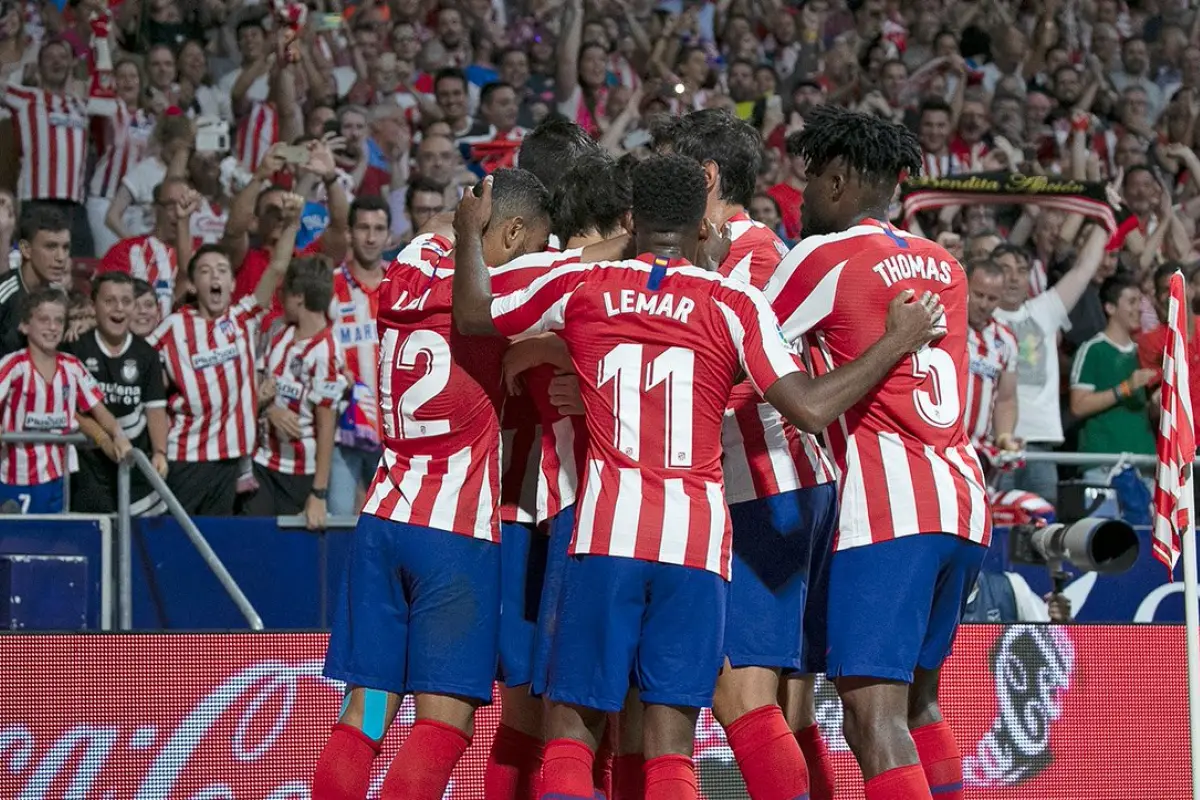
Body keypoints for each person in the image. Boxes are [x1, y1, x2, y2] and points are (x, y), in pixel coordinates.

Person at [451, 155, 942, 800]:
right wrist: (896, 342)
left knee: (572, 735)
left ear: (634, 219)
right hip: (697, 546)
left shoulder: (584, 286)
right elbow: (812, 406)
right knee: (671, 750)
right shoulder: (734, 303)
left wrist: (466, 234)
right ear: (702, 227)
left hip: (605, 535)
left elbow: (474, 315)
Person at [767, 104, 989, 800]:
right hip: (961, 500)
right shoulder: (943, 264)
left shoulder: (823, 256)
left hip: (889, 509)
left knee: (872, 717)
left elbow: (740, 339)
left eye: (807, 181)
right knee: (920, 705)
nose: (800, 199)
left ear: (837, 179)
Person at [313, 169, 553, 800]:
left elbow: (437, 228)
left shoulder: (411, 262)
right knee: (443, 724)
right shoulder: (497, 293)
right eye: (529, 242)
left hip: (382, 517)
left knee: (366, 712)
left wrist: (470, 220)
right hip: (454, 535)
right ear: (510, 232)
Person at [661, 109, 840, 800]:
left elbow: (730, 370)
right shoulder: (755, 252)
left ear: (705, 178)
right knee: (790, 714)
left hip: (766, 486)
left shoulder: (752, 258)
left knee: (741, 696)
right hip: (785, 484)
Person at [147, 195, 302, 515]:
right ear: (193, 285)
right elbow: (141, 369)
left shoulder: (243, 318)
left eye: (222, 270)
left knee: (218, 548)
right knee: (181, 543)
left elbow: (278, 266)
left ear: (233, 283)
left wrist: (291, 222)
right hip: (187, 458)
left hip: (232, 461)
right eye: (206, 271)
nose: (215, 276)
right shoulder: (173, 327)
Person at [0, 287, 131, 513]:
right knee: (15, 543)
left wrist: (117, 435)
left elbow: (98, 410)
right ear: (25, 325)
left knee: (50, 543)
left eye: (59, 321)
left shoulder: (73, 366)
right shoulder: (13, 365)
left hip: (59, 477)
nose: (52, 327)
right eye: (44, 320)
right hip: (14, 475)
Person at [245, 257, 345, 528]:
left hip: (299, 474)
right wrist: (268, 410)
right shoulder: (278, 333)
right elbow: (258, 391)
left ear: (298, 297)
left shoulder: (327, 351)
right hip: (263, 464)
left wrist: (318, 493)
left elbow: (326, 426)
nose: (278, 300)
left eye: (282, 293)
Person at [64, 272, 169, 515]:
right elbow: (70, 410)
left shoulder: (147, 355)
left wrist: (160, 452)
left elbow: (155, 409)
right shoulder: (75, 346)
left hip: (133, 463)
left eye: (126, 301)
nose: (119, 308)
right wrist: (103, 438)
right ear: (94, 305)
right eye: (110, 301)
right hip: (89, 466)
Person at [327, 196, 391, 519]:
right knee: (339, 518)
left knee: (387, 522)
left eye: (378, 228)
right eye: (363, 228)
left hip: (394, 430)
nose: (370, 237)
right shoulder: (330, 287)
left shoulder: (402, 281)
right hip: (344, 426)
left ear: (389, 235)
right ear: (349, 234)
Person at [1068, 275, 1158, 484]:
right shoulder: (1093, 350)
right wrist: (1127, 387)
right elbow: (1078, 406)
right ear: (1110, 307)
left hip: (1144, 463)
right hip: (1104, 464)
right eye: (1132, 302)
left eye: (1140, 302)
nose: (1139, 309)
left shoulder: (1143, 352)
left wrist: (1158, 404)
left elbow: (1148, 411)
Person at [962, 258, 1020, 452]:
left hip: (978, 451)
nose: (984, 304)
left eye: (992, 298)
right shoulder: (944, 325)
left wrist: (1004, 437)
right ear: (965, 287)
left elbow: (1006, 399)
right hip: (938, 446)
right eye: (978, 295)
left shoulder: (1006, 340)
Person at [0, 206, 71, 356]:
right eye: (51, 247)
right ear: (26, 249)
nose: (60, 257)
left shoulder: (60, 296)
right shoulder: (4, 294)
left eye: (65, 247)